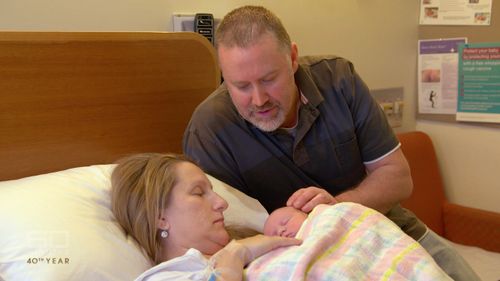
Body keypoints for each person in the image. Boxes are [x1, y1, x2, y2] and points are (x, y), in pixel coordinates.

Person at [183, 5, 479, 280]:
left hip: (388, 232)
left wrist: (335, 207)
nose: (259, 99)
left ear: (293, 58)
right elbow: (215, 235)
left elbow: (398, 179)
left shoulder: (339, 80)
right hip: (295, 258)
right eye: (241, 86)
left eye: (269, 78)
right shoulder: (210, 130)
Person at [110, 153, 301, 281]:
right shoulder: (166, 277)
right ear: (160, 218)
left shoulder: (263, 239)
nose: (222, 203)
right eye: (199, 193)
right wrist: (235, 253)